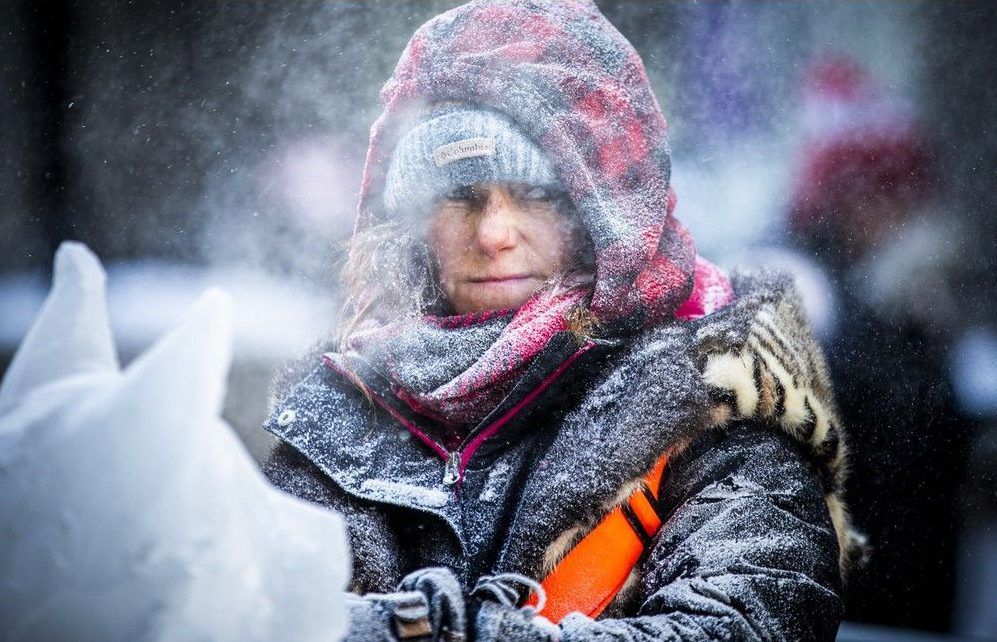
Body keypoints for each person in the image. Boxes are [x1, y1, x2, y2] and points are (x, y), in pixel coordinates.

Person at [263, 1, 858, 640]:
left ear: (608, 211)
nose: (493, 233)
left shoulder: (719, 400)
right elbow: (239, 611)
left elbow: (745, 624)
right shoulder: (340, 414)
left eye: (536, 195)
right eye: (459, 196)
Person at [786, 56, 971, 632]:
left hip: (915, 584)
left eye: (902, 193)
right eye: (874, 193)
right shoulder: (818, 298)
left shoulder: (915, 298)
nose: (892, 212)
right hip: (851, 597)